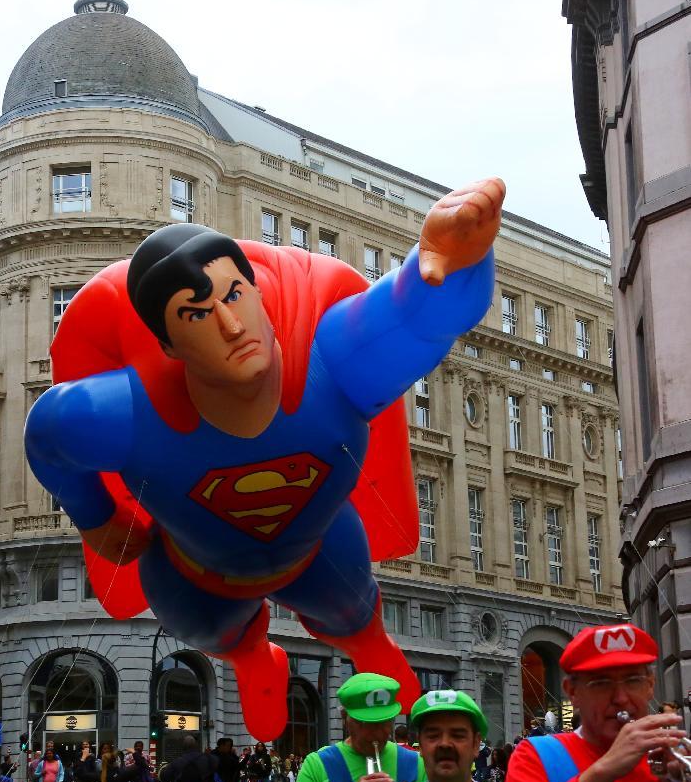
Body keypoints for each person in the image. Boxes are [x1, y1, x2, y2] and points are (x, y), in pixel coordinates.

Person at [26, 180, 504, 742]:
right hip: (194, 575)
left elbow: (414, 311)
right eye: (196, 314)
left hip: (319, 548)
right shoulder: (134, 412)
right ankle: (255, 659)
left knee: (352, 609)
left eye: (233, 296)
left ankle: (367, 643)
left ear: (256, 291)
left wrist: (452, 260)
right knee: (207, 628)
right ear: (169, 345)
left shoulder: (332, 364)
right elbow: (49, 433)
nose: (231, 326)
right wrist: (97, 518)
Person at [501, 622, 691, 782]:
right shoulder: (538, 754)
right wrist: (605, 770)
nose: (620, 698)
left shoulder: (672, 758)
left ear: (650, 685)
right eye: (601, 683)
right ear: (572, 692)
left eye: (633, 680)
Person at [286, 672, 425, 782]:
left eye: (385, 721)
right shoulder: (318, 764)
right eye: (365, 723)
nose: (376, 733)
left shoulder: (416, 763)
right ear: (344, 717)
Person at [367, 689, 503, 782]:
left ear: (476, 744)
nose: (445, 744)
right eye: (433, 735)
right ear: (420, 746)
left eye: (457, 735)